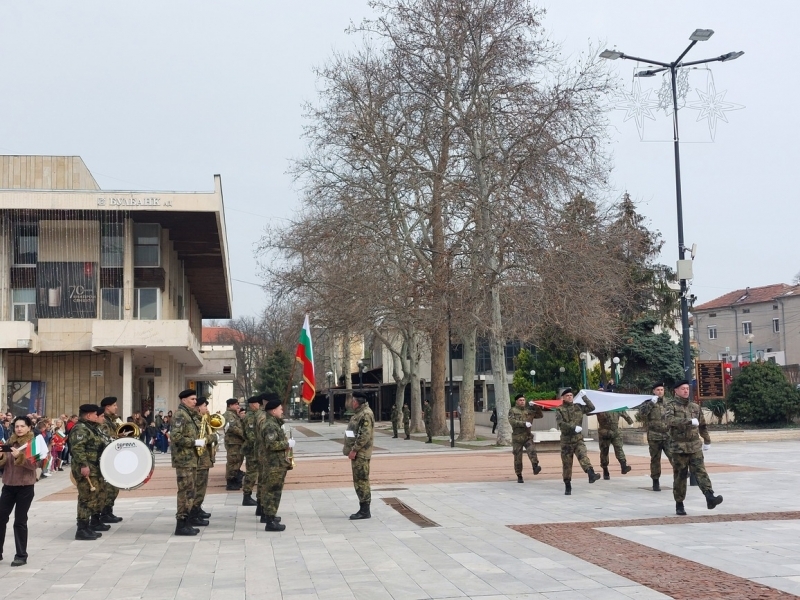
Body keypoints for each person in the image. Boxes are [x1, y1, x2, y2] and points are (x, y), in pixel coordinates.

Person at [664, 380, 723, 515]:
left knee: (700, 471)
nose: (686, 391)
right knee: (680, 475)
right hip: (679, 447)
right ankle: (679, 503)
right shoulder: (671, 406)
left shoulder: (695, 407)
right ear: (676, 391)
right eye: (683, 389)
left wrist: (707, 440)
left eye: (687, 388)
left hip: (694, 445)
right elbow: (669, 421)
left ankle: (710, 497)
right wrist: (688, 421)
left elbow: (702, 425)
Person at [0, 416, 39, 565]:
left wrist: (20, 456)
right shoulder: (9, 443)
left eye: (22, 426)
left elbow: (34, 466)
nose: (19, 429)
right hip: (8, 486)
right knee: (1, 518)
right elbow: (4, 466)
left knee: (20, 521)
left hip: (25, 487)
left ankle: (21, 555)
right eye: (17, 426)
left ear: (29, 427)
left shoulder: (32, 443)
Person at [69, 405, 109, 540]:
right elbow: (77, 448)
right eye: (95, 414)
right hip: (86, 469)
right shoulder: (80, 429)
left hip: (94, 468)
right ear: (88, 415)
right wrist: (83, 465)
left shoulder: (90, 428)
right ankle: (82, 528)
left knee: (93, 497)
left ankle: (88, 526)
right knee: (85, 498)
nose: (97, 416)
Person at [555, 388, 601, 495]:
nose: (570, 397)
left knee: (583, 456)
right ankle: (567, 485)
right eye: (567, 396)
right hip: (566, 442)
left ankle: (591, 474)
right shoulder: (560, 409)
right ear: (563, 397)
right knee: (567, 464)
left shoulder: (578, 407)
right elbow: (561, 424)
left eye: (571, 395)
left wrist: (584, 397)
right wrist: (573, 427)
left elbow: (592, 408)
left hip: (578, 439)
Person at [170, 389, 202, 536]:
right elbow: (175, 437)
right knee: (185, 492)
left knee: (191, 491)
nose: (195, 401)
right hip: (184, 460)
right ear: (183, 400)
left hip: (191, 459)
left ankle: (186, 522)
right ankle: (181, 524)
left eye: (195, 399)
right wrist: (194, 442)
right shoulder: (180, 415)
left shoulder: (189, 414)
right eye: (192, 399)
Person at [258, 394, 293, 531]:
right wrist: (286, 443)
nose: (282, 411)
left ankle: (270, 516)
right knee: (273, 491)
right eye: (280, 409)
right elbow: (271, 444)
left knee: (273, 491)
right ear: (273, 411)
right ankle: (270, 521)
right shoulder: (270, 425)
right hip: (273, 464)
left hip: (277, 463)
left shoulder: (274, 423)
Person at [637, 381, 673, 491]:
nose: (660, 392)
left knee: (674, 456)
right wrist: (651, 403)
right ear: (653, 391)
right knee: (655, 460)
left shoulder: (669, 403)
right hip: (654, 436)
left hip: (667, 435)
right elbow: (642, 414)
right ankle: (655, 481)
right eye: (658, 390)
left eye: (661, 390)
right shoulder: (648, 402)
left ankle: (681, 474)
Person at [344, 392, 374, 519]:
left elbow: (364, 436)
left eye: (353, 401)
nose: (352, 403)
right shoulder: (359, 413)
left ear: (357, 402)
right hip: (357, 453)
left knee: (362, 481)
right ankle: (363, 508)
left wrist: (354, 450)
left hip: (361, 454)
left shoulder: (365, 414)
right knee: (359, 481)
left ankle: (365, 510)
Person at [97, 397, 124, 524]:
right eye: (114, 405)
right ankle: (104, 512)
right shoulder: (103, 421)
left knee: (113, 487)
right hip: (106, 458)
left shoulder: (112, 420)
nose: (116, 407)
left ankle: (108, 511)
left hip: (113, 457)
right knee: (107, 488)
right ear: (107, 407)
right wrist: (119, 436)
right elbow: (106, 438)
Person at [190, 398, 215, 526]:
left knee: (202, 487)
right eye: (205, 406)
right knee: (198, 487)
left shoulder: (203, 419)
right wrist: (213, 437)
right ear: (199, 408)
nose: (207, 408)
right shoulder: (197, 421)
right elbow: (201, 438)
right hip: (200, 459)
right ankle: (193, 513)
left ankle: (197, 509)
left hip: (204, 459)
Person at [508, 394, 543, 483]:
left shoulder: (529, 410)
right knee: (518, 458)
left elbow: (540, 415)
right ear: (516, 401)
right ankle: (519, 475)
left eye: (523, 400)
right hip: (517, 438)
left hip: (527, 436)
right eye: (520, 400)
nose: (522, 402)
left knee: (532, 451)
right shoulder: (513, 410)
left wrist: (535, 406)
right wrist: (523, 424)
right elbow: (512, 421)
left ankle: (535, 467)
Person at [596, 409, 634, 480]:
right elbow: (590, 411)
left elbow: (623, 412)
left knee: (619, 448)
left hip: (615, 431)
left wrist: (630, 421)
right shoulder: (601, 406)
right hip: (605, 432)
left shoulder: (617, 406)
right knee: (604, 452)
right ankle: (605, 469)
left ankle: (623, 466)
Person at [241, 395, 263, 507]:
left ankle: (249, 496)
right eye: (257, 404)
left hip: (256, 449)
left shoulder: (256, 415)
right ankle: (247, 496)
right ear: (253, 404)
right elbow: (251, 435)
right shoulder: (250, 417)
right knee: (251, 473)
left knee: (256, 472)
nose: (258, 406)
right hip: (251, 450)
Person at [223, 398, 245, 491]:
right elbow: (233, 427)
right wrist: (244, 435)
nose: (238, 406)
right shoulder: (229, 415)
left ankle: (235, 478)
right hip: (233, 442)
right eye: (236, 404)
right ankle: (231, 481)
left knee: (237, 461)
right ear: (230, 405)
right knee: (233, 462)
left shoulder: (234, 415)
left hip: (237, 442)